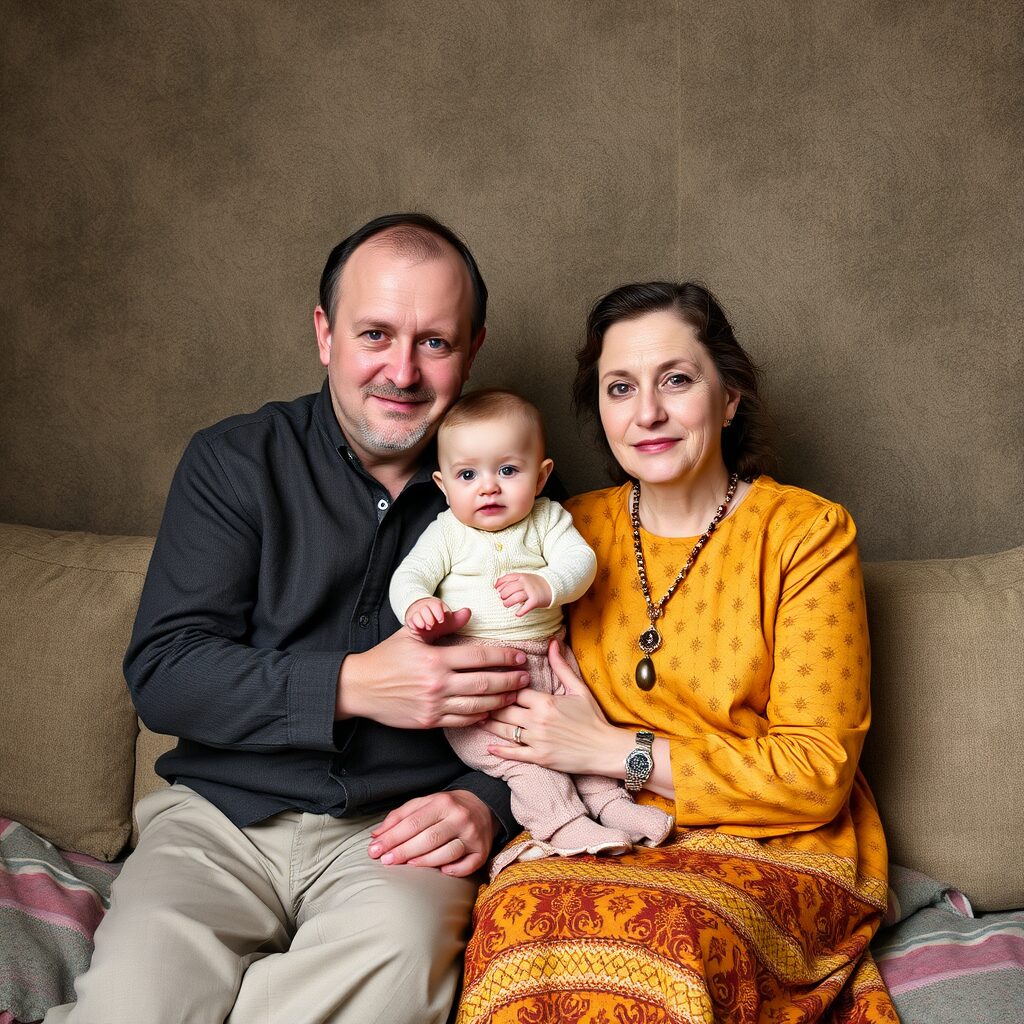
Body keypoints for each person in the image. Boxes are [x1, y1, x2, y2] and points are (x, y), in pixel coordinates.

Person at [44, 213, 533, 1024]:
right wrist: (352, 684)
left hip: (398, 836)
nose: (402, 371)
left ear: (473, 348)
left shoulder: (516, 497)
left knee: (401, 971)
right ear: (324, 334)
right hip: (217, 823)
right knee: (131, 1006)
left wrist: (487, 803)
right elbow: (165, 676)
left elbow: (556, 688)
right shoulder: (233, 462)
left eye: (434, 342)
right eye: (375, 334)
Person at [456, 282, 898, 1022]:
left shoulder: (805, 534)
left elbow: (817, 774)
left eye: (677, 380)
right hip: (607, 827)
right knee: (515, 923)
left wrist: (612, 750)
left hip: (780, 839)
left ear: (729, 399)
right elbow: (474, 659)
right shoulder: (561, 535)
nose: (647, 413)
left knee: (663, 945)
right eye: (620, 387)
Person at [389, 389, 673, 874]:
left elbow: (580, 562)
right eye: (467, 475)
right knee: (526, 763)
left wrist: (547, 584)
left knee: (585, 737)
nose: (488, 488)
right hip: (478, 689)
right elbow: (409, 576)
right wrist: (418, 604)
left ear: (541, 477)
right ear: (443, 484)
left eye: (507, 470)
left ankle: (611, 805)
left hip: (550, 660)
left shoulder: (547, 519)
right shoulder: (447, 532)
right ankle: (563, 825)